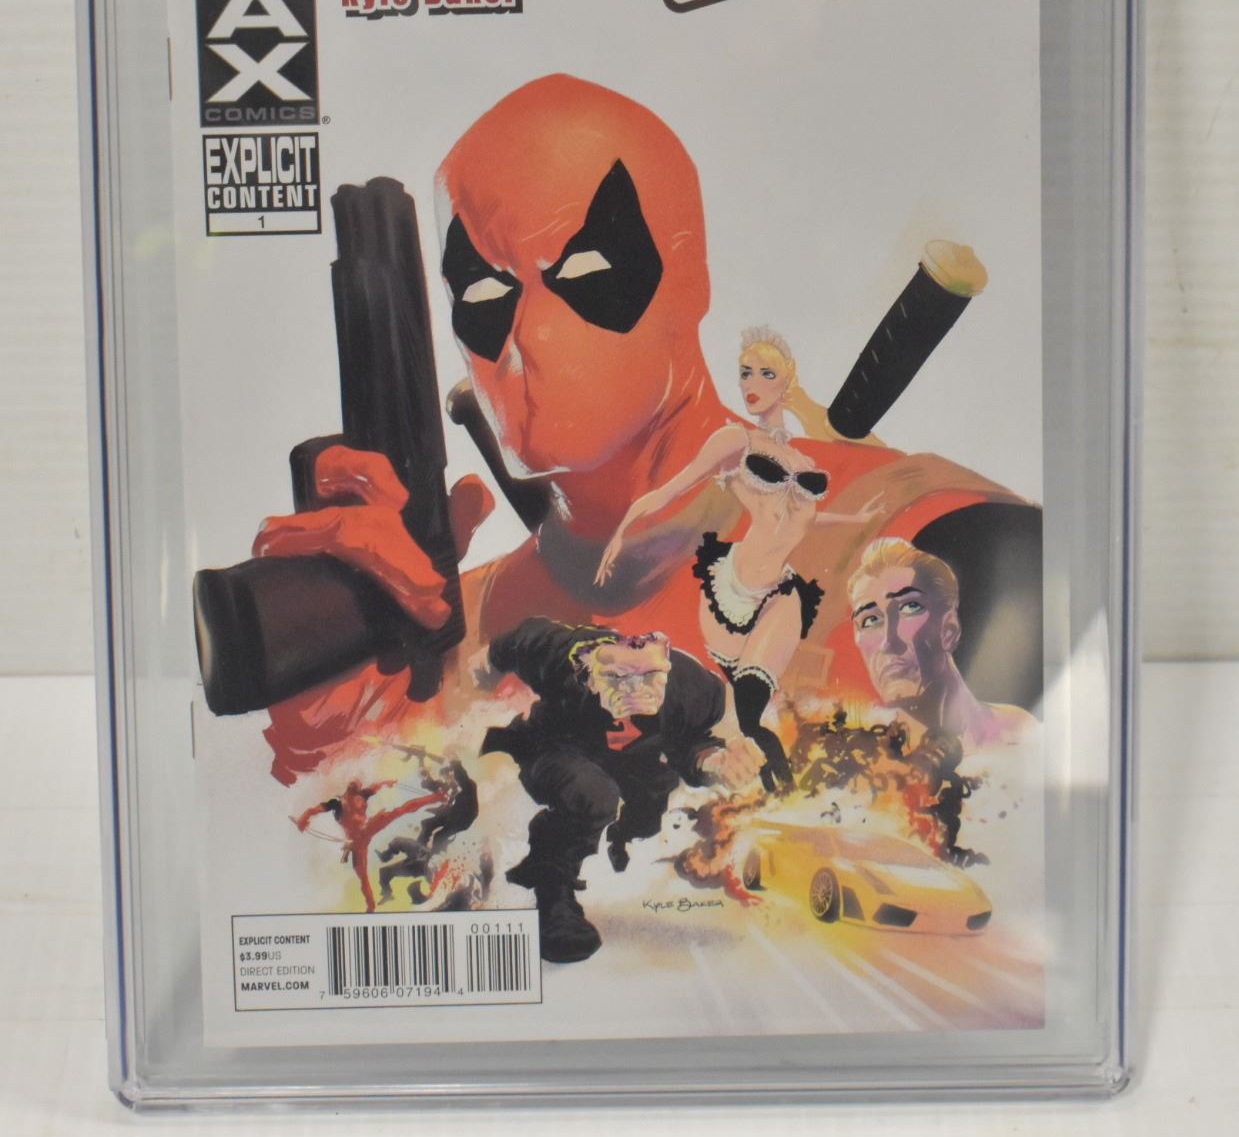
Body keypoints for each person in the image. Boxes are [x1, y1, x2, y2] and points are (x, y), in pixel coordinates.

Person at [252, 76, 1024, 783]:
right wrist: (343, 737)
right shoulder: (460, 633)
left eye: (584, 273)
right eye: (483, 292)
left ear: (688, 277)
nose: (527, 336)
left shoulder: (928, 544)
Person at [596, 329, 878, 791]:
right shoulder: (736, 440)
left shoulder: (802, 460)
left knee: (751, 703)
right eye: (746, 372)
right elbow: (673, 488)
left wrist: (855, 518)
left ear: (787, 380)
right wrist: (623, 529)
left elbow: (803, 521)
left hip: (780, 594)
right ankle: (764, 785)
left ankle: (783, 787)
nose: (752, 383)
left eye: (766, 373)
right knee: (742, 715)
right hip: (732, 593)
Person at [475, 619, 764, 964]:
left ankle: (621, 838)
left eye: (650, 677)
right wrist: (480, 678)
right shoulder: (555, 653)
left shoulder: (691, 689)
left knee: (646, 817)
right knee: (594, 795)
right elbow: (504, 650)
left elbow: (691, 742)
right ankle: (554, 893)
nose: (636, 690)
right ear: (588, 676)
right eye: (618, 678)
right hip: (561, 746)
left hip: (638, 763)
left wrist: (715, 761)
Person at [847, 537, 1038, 751]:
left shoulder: (1022, 733)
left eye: (909, 607)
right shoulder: (866, 759)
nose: (888, 643)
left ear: (949, 629)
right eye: (870, 620)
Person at [293, 778, 445, 913]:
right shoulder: (336, 803)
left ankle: (436, 797)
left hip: (368, 829)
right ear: (347, 786)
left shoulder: (363, 794)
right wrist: (304, 818)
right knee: (362, 875)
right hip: (357, 843)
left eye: (357, 782)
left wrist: (387, 782)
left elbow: (376, 786)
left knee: (401, 810)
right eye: (352, 782)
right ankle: (371, 905)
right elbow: (313, 810)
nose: (355, 782)